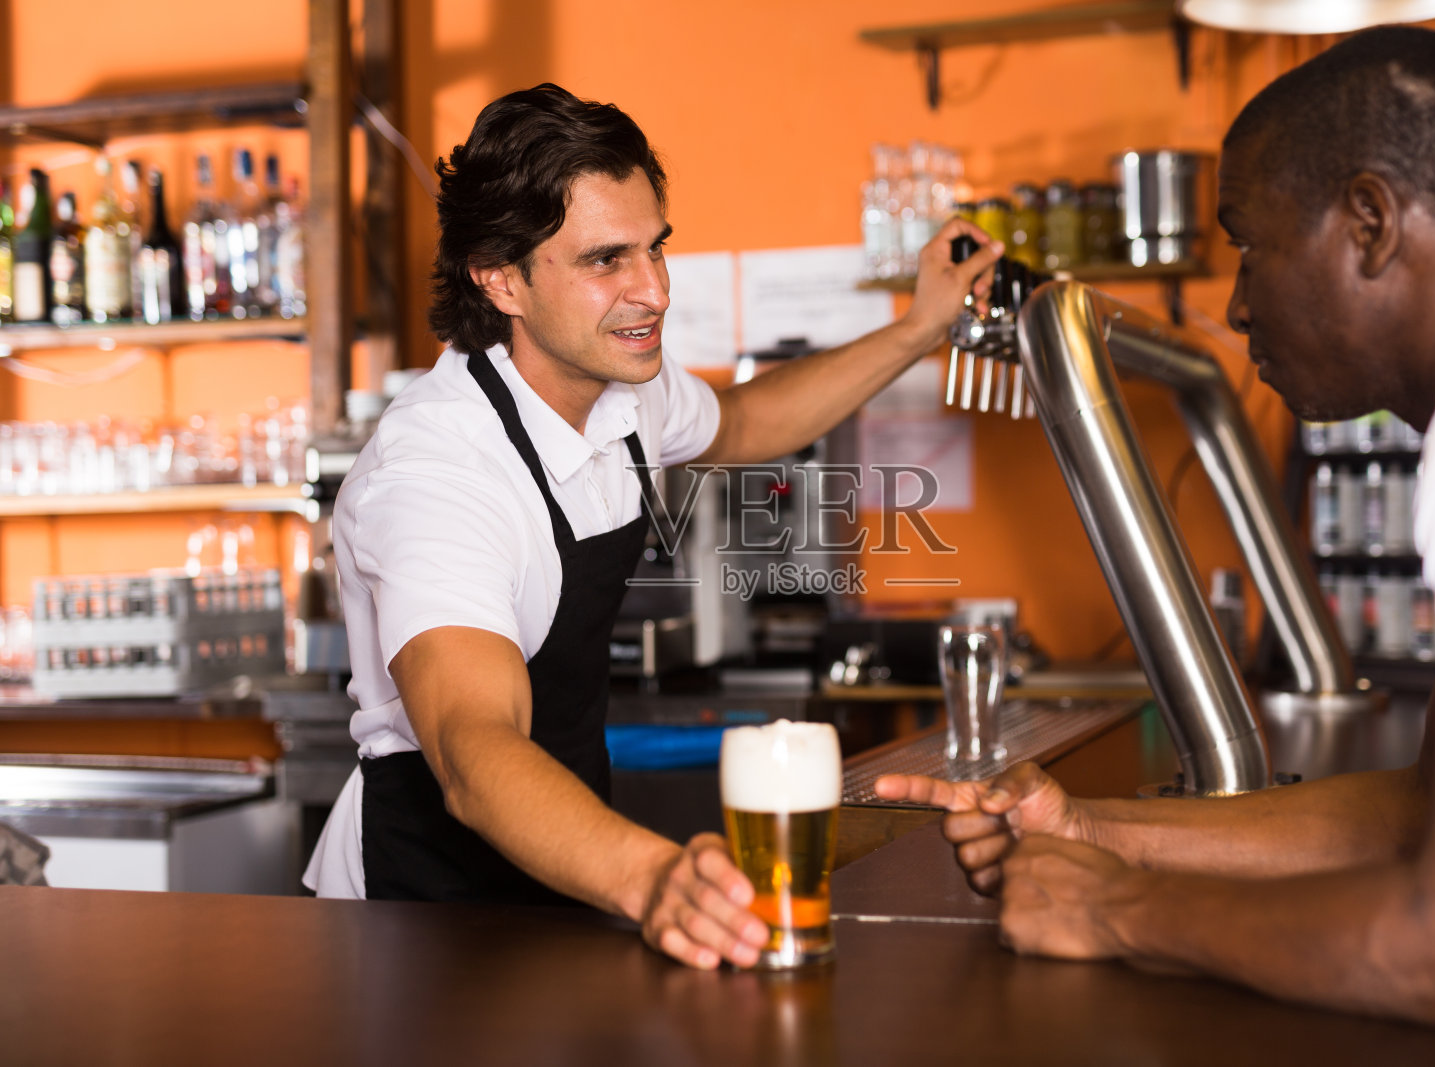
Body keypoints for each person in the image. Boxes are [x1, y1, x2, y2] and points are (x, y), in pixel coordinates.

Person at [877, 26, 1435, 1031]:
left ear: (1370, 223)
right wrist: (1095, 828)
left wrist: (1114, 906)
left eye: (1250, 245)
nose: (1242, 303)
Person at [303, 83, 1002, 970]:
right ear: (500, 276)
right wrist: (653, 878)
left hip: (560, 888)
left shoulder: (625, 388)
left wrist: (916, 329)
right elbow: (474, 750)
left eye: (656, 248)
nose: (654, 291)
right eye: (606, 260)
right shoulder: (438, 473)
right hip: (414, 925)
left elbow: (744, 424)